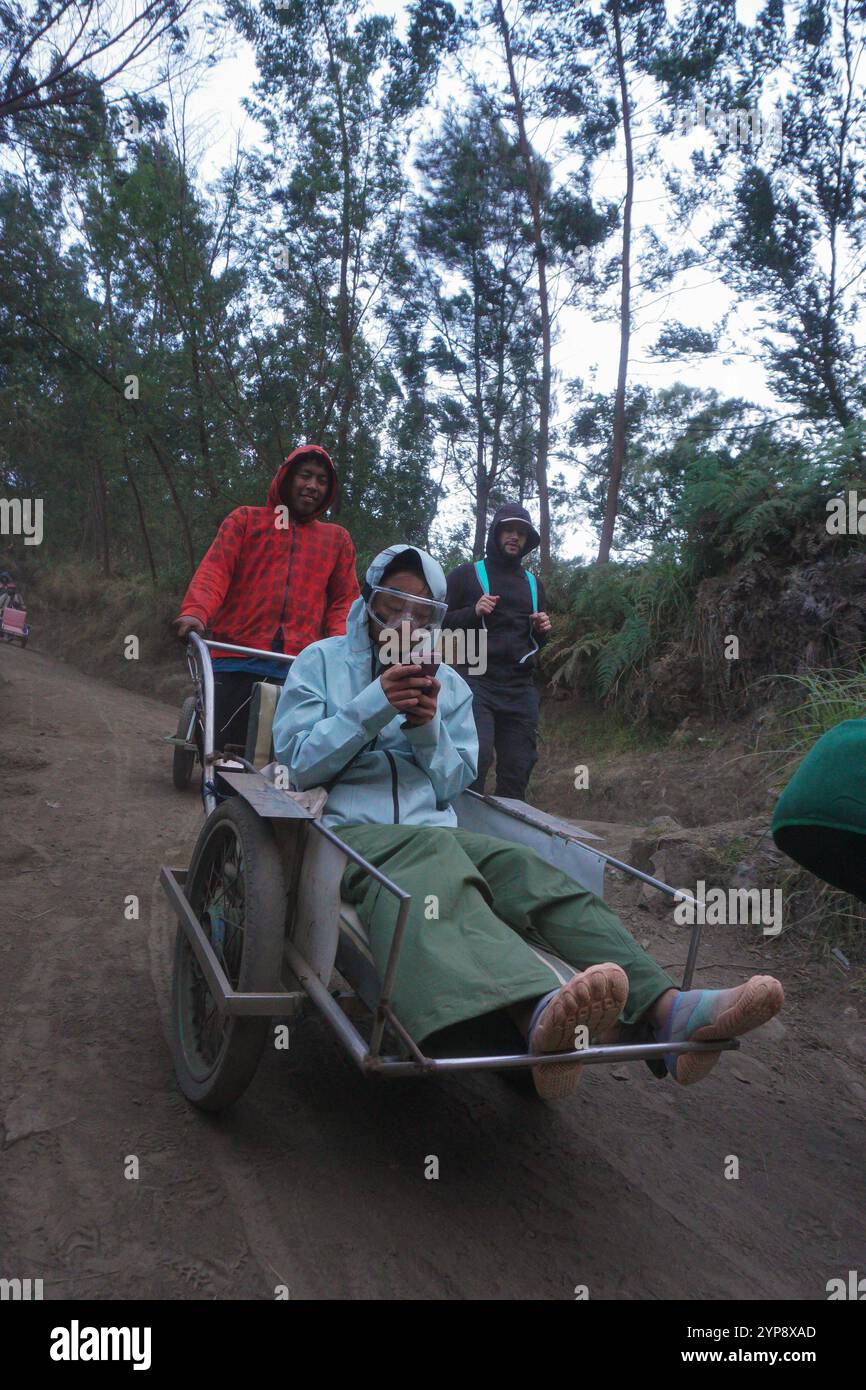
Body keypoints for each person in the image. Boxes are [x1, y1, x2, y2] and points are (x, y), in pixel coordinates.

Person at [272, 543, 784, 1101]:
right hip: (347, 836)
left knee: (524, 867)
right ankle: (538, 1009)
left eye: (423, 610)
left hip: (434, 832)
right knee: (436, 859)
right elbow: (297, 766)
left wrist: (424, 730)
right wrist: (373, 705)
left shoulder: (453, 686)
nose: (406, 619)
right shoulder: (318, 662)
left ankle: (670, 1010)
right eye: (395, 601)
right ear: (370, 599)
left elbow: (451, 787)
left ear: (436, 619)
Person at [175, 445, 359, 754]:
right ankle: (222, 797)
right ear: (287, 478)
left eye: (322, 480)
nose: (313, 486)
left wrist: (339, 646)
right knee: (223, 753)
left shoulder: (336, 540)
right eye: (306, 476)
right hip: (235, 657)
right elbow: (215, 572)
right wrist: (196, 612)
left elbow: (344, 601)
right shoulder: (246, 521)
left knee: (280, 758)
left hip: (298, 669)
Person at [445, 502, 551, 801]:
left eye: (521, 532)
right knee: (474, 760)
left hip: (520, 687)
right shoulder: (466, 575)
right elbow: (436, 625)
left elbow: (533, 642)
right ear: (495, 534)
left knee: (519, 766)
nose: (515, 537)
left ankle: (505, 836)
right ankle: (462, 827)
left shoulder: (534, 585)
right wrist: (472, 612)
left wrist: (543, 630)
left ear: (528, 540)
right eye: (508, 530)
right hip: (476, 681)